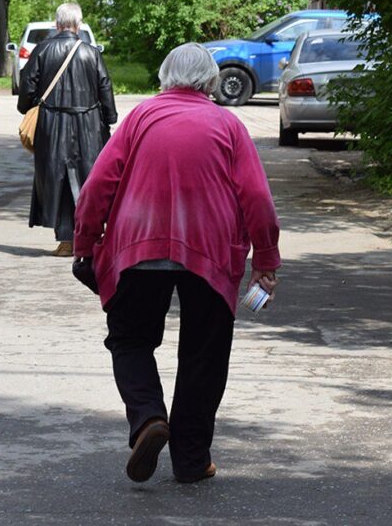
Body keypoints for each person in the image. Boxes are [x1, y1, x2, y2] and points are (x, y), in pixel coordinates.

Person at [73, 43, 281, 483]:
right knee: (204, 355)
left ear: (165, 77)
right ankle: (190, 460)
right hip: (209, 249)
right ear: (209, 81)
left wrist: (86, 242)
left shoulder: (141, 118)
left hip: (138, 244)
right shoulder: (228, 124)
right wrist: (265, 258)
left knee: (130, 341)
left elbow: (97, 185)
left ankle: (149, 417)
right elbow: (257, 197)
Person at [17, 2, 116, 257]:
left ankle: (66, 241)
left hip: (52, 123)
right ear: (79, 24)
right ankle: (89, 237)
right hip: (89, 124)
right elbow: (105, 86)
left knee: (57, 180)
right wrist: (109, 118)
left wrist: (27, 107)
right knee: (89, 179)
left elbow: (27, 86)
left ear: (56, 24)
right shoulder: (91, 52)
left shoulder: (42, 50)